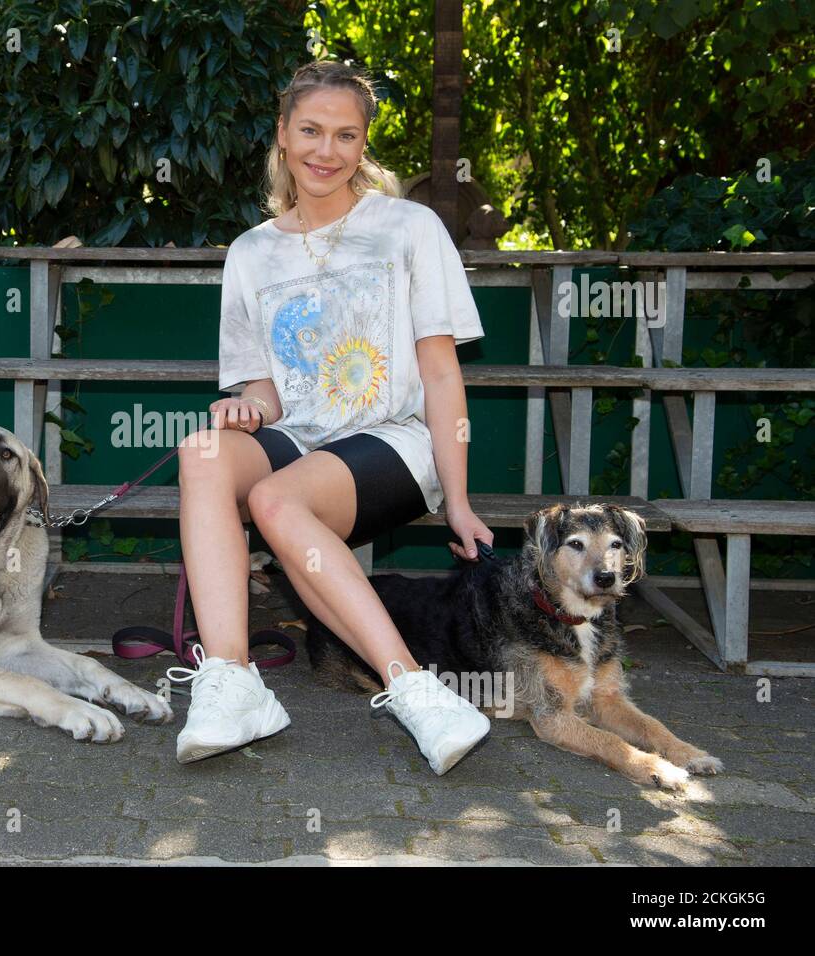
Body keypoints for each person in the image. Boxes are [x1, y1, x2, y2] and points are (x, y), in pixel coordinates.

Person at [167, 60, 495, 775]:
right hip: (300, 442)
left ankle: (414, 688)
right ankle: (231, 681)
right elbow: (272, 401)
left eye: (346, 135)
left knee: (274, 499)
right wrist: (246, 408)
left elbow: (441, 372)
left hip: (395, 444)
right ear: (283, 135)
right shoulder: (251, 253)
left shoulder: (408, 227)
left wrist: (460, 498)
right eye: (311, 130)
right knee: (204, 454)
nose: (326, 150)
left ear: (363, 144)